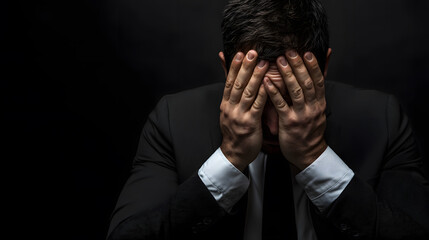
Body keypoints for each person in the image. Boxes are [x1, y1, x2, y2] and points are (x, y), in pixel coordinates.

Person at [107, 0, 429, 239]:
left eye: (290, 96)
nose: (275, 128)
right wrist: (229, 158)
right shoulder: (173, 121)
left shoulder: (382, 121)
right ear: (227, 72)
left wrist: (315, 158)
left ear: (323, 68)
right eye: (258, 98)